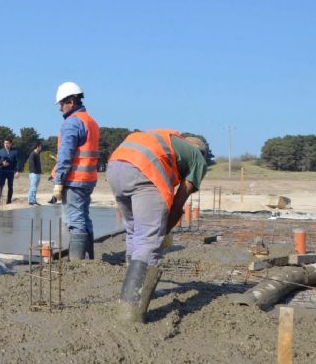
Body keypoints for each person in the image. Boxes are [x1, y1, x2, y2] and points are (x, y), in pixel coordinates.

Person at [107, 130, 207, 323]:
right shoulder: (198, 159)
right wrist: (164, 231)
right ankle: (130, 313)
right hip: (144, 170)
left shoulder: (170, 142)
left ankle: (130, 292)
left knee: (134, 231)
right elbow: (178, 204)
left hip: (116, 166)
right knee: (148, 240)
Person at [50, 81, 99, 260]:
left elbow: (65, 156)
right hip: (88, 179)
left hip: (75, 179)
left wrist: (59, 181)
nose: (60, 108)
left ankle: (77, 264)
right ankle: (88, 258)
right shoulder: (91, 121)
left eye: (61, 104)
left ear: (71, 101)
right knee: (84, 218)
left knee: (75, 220)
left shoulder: (72, 123)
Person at [0, 138, 19, 204]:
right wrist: (2, 163)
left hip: (11, 172)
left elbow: (17, 162)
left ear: (11, 144)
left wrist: (17, 171)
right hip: (2, 171)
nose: (6, 144)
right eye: (5, 143)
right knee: (0, 186)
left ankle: (9, 201)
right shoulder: (0, 151)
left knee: (10, 187)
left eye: (7, 143)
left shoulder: (15, 152)